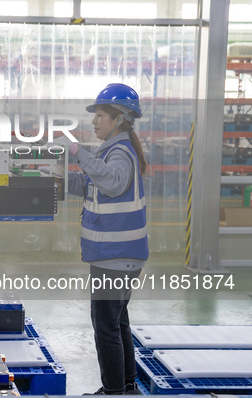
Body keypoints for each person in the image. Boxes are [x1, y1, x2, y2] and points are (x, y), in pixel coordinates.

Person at [59, 83, 149, 395]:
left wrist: (75, 151)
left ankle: (113, 392)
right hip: (118, 255)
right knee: (117, 322)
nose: (95, 122)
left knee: (106, 327)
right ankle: (126, 386)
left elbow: (112, 182)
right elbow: (92, 185)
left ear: (120, 118)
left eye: (100, 116)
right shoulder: (111, 151)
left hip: (115, 255)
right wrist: (49, 180)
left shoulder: (121, 153)